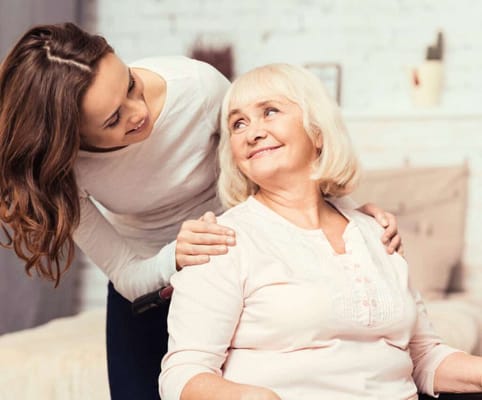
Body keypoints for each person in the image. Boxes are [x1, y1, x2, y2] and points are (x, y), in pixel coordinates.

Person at [0, 23, 401, 400]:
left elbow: (267, 164)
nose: (138, 111)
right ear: (70, 139)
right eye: (113, 119)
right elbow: (126, 272)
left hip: (234, 264)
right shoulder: (58, 172)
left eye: (131, 85)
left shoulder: (196, 88)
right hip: (146, 281)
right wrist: (174, 255)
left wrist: (348, 220)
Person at [159, 63, 482, 400]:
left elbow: (423, 356)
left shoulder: (375, 232)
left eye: (270, 112)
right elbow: (182, 375)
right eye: (238, 123)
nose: (252, 132)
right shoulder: (222, 240)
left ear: (317, 130)